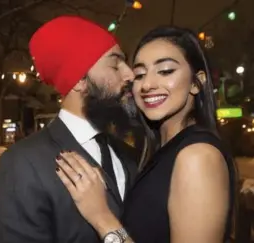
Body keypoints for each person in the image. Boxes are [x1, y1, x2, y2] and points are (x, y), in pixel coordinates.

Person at [56, 26, 236, 243]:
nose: (147, 85)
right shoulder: (160, 152)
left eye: (166, 71)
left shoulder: (197, 157)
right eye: (140, 74)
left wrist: (102, 218)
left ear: (197, 82)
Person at [0, 15, 140, 243]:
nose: (130, 74)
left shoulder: (128, 155)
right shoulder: (21, 164)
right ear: (79, 80)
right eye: (115, 63)